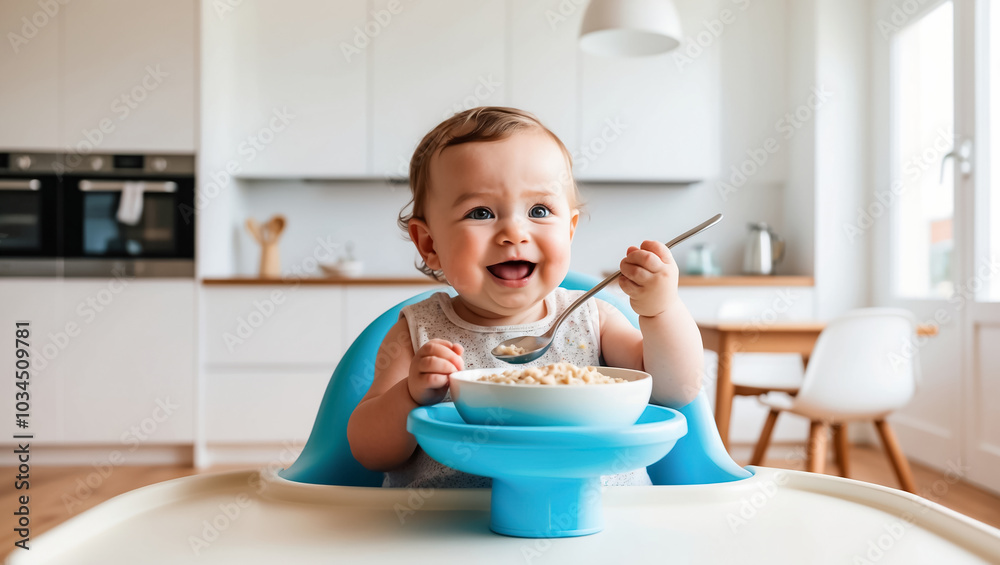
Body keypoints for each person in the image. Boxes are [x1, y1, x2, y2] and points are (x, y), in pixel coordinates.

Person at [347, 107, 704, 488]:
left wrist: (661, 311)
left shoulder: (593, 320)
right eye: (481, 212)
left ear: (568, 231)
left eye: (538, 210)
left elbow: (675, 389)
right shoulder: (419, 332)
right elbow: (371, 453)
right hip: (449, 532)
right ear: (430, 244)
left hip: (602, 524)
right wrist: (410, 396)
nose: (514, 232)